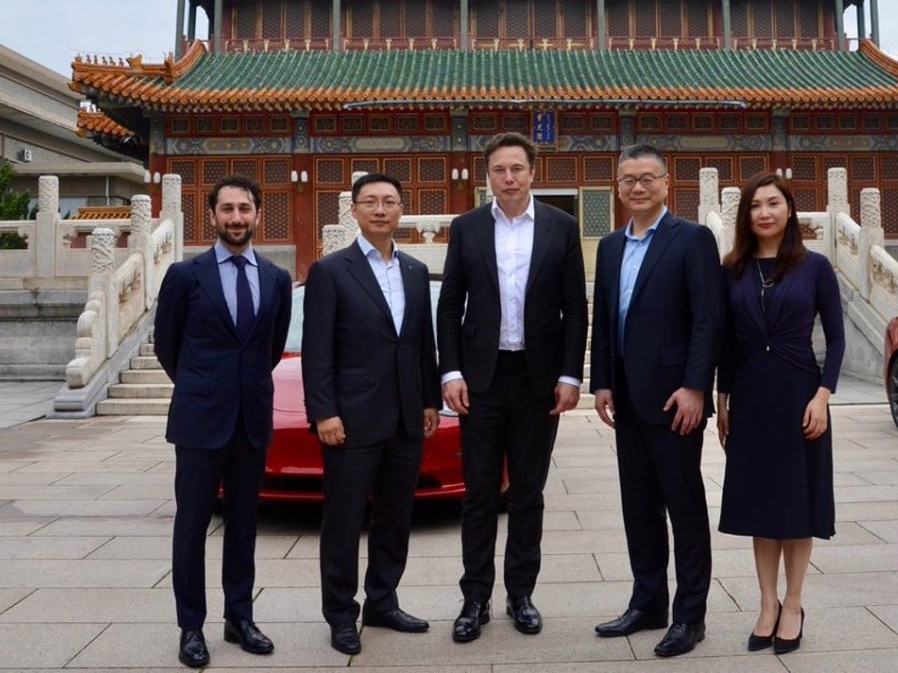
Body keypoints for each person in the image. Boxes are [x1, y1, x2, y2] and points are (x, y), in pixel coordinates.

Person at [437, 131, 588, 642]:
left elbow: (575, 309)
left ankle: (520, 593)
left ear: (532, 172)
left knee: (528, 492)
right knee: (479, 493)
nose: (508, 178)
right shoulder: (467, 227)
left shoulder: (561, 227)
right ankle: (474, 597)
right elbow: (449, 305)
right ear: (488, 175)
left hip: (538, 380)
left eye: (517, 169)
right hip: (480, 380)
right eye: (499, 170)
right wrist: (451, 372)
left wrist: (571, 375)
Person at [589, 144, 722, 658]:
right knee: (638, 506)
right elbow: (606, 319)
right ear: (618, 187)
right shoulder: (609, 246)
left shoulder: (691, 240)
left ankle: (690, 615)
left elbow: (708, 319)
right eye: (628, 180)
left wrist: (695, 387)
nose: (637, 188)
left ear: (667, 184)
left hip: (674, 399)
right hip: (626, 396)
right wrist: (601, 381)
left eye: (647, 178)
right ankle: (648, 601)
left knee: (683, 507)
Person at [154, 175, 292, 668]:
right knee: (191, 526)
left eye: (245, 209)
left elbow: (270, 348)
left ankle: (240, 617)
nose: (236, 218)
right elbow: (167, 346)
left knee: (245, 524)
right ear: (211, 215)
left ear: (258, 214)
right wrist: (203, 386)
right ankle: (191, 626)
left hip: (251, 419)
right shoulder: (185, 277)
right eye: (227, 209)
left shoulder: (276, 279)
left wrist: (239, 387)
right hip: (198, 421)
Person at [301, 172, 442, 656]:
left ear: (401, 210)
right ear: (355, 211)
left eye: (390, 202)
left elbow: (423, 343)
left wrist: (429, 401)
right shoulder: (331, 271)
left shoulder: (416, 272)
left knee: (395, 517)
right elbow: (317, 351)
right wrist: (324, 412)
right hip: (351, 421)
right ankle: (341, 613)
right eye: (371, 202)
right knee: (343, 520)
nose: (381, 210)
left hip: (405, 418)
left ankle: (383, 599)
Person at [716, 171, 845, 655]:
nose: (764, 212)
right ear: (746, 216)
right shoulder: (732, 269)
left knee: (797, 505)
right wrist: (722, 397)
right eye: (755, 206)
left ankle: (793, 603)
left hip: (799, 395)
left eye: (773, 203)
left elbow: (835, 338)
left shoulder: (814, 267)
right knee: (760, 507)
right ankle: (766, 604)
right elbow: (726, 341)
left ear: (789, 210)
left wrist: (823, 396)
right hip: (750, 396)